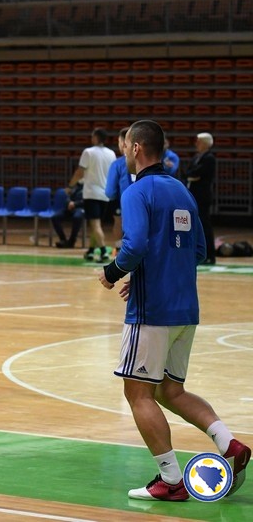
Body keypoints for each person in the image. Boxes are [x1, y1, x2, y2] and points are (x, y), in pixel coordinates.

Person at [98, 119, 250, 501]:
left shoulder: (137, 191)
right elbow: (198, 250)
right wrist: (152, 273)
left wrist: (113, 273)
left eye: (126, 147)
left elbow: (133, 245)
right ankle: (229, 444)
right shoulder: (182, 190)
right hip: (186, 309)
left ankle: (171, 479)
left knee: (138, 394)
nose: (124, 152)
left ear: (136, 148)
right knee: (170, 391)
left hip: (153, 312)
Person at [66, 127, 116, 263]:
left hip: (92, 193)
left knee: (95, 225)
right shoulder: (111, 153)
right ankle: (91, 251)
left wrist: (70, 186)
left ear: (96, 137)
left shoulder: (88, 152)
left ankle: (104, 252)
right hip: (105, 194)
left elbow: (80, 172)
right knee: (96, 224)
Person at [184, 132, 216, 265]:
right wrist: (193, 175)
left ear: (205, 143)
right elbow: (188, 173)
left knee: (204, 226)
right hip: (193, 195)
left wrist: (193, 175)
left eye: (199, 141)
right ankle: (197, 253)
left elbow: (198, 173)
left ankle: (209, 255)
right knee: (195, 225)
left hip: (202, 197)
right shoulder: (196, 157)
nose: (196, 143)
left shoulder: (209, 158)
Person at [105, 127, 133, 255]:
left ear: (123, 143)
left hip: (123, 201)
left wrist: (111, 196)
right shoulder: (145, 161)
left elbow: (110, 191)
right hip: (144, 199)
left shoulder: (118, 164)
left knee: (118, 222)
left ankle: (119, 248)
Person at [52, 182, 84, 249]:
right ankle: (63, 239)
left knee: (77, 217)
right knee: (55, 217)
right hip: (70, 208)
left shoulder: (89, 188)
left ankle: (72, 240)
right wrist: (69, 203)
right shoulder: (76, 187)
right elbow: (68, 197)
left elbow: (87, 201)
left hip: (81, 208)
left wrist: (75, 204)